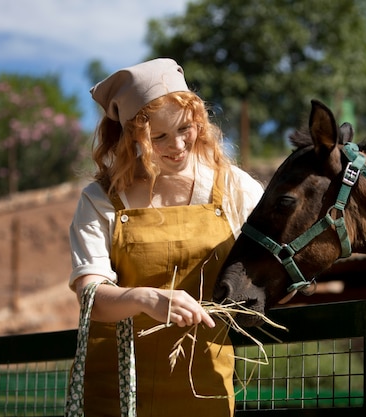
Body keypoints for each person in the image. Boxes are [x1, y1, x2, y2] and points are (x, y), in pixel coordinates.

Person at [68, 58, 263, 417]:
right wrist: (146, 298)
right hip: (117, 391)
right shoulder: (99, 200)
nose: (177, 146)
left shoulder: (235, 188)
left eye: (185, 129)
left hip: (204, 388)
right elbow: (91, 298)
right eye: (158, 136)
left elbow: (272, 263)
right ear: (132, 137)